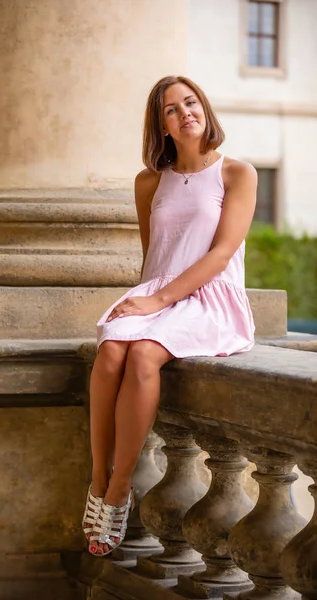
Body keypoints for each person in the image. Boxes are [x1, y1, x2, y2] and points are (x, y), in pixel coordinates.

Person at [82, 75, 257, 557]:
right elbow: (153, 254)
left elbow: (222, 253)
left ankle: (119, 491)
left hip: (210, 296)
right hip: (158, 292)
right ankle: (99, 480)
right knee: (111, 350)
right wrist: (145, 300)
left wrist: (158, 306)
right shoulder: (148, 182)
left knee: (142, 357)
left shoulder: (237, 174)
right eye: (171, 110)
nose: (185, 114)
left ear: (205, 108)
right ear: (161, 126)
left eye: (191, 102)